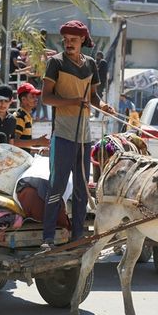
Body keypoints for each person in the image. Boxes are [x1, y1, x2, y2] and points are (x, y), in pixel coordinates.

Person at [40, 19, 114, 250]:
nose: (68, 43)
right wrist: (72, 101)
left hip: (84, 135)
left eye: (73, 40)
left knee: (83, 188)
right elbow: (46, 98)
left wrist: (102, 105)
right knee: (58, 185)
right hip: (62, 134)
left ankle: (78, 235)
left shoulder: (91, 64)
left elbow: (93, 97)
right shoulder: (56, 63)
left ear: (82, 40)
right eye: (66, 40)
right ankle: (48, 237)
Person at [13, 82, 49, 152]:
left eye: (36, 96)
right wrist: (38, 141)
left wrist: (37, 149)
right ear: (23, 100)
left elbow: (22, 145)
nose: (36, 99)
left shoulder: (26, 116)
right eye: (32, 96)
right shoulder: (20, 116)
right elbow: (15, 142)